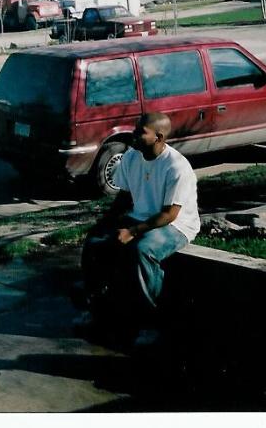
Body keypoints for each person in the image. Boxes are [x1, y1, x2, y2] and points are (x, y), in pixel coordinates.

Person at [78, 112, 200, 344]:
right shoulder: (132, 157)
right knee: (95, 243)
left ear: (159, 137)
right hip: (141, 217)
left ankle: (151, 321)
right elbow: (124, 197)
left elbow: (169, 214)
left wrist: (132, 232)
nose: (133, 135)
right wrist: (107, 223)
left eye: (140, 132)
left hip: (177, 225)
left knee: (142, 250)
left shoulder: (176, 167)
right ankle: (98, 311)